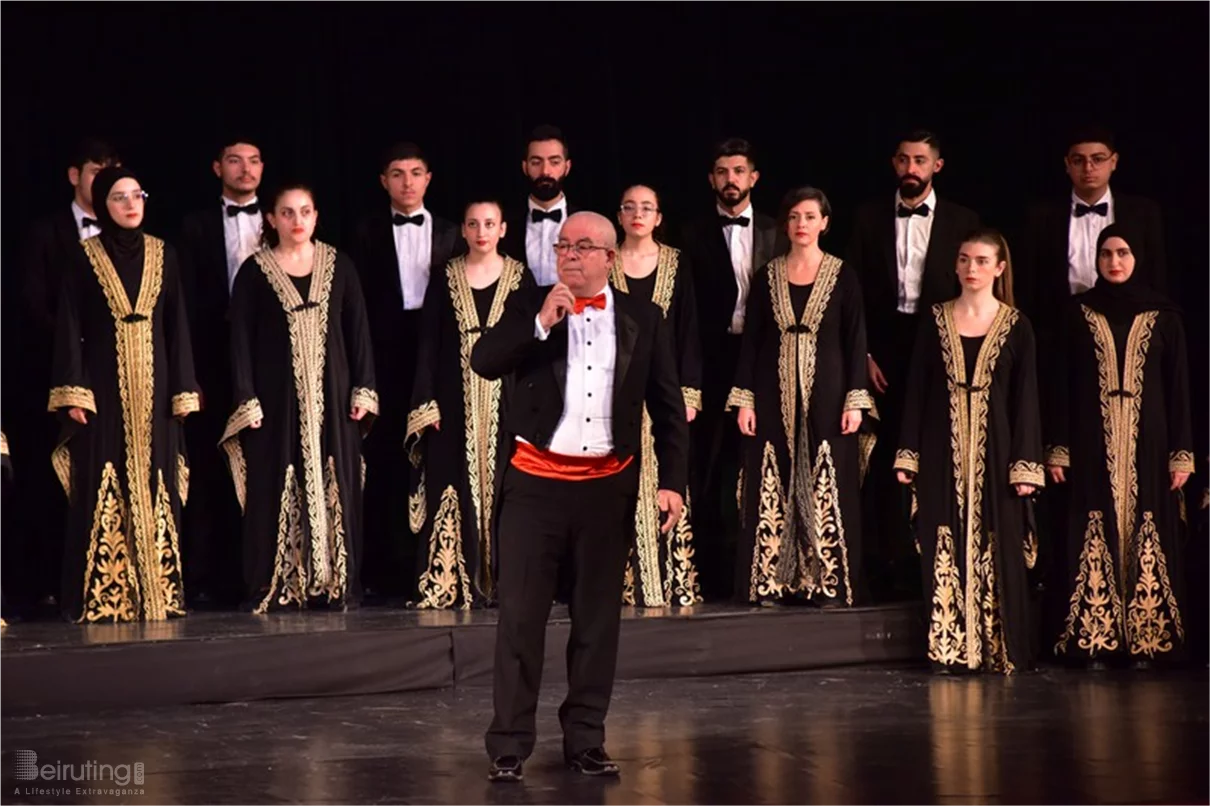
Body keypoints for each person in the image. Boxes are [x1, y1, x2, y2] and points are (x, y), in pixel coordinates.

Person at [474, 212, 688, 782]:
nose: (569, 254)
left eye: (583, 246)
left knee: (597, 623)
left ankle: (586, 740)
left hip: (605, 490)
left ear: (610, 258)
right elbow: (484, 361)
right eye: (562, 244)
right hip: (535, 488)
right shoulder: (528, 305)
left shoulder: (645, 317)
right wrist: (542, 322)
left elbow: (668, 410)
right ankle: (510, 743)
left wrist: (672, 483)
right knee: (521, 619)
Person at [49, 166, 200, 623]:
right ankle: (107, 596)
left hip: (154, 388)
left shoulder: (164, 254)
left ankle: (159, 592)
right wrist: (74, 391)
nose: (131, 205)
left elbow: (177, 326)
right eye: (119, 198)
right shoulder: (83, 256)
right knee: (103, 475)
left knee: (157, 477)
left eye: (137, 195)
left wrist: (183, 390)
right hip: (103, 387)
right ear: (101, 205)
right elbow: (69, 323)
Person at [894, 228, 1044, 674]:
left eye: (981, 261)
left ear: (999, 268)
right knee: (944, 537)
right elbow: (917, 390)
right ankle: (948, 646)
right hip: (942, 446)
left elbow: (1026, 400)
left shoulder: (1016, 326)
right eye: (965, 260)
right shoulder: (936, 319)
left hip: (997, 452)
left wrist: (1025, 465)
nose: (971, 268)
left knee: (997, 545)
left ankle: (997, 647)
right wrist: (908, 453)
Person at [222, 184, 377, 613]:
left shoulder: (339, 265)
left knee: (338, 480)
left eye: (305, 211)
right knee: (276, 479)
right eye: (287, 212)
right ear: (271, 219)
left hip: (334, 392)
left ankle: (334, 581)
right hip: (277, 399)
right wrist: (246, 398)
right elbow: (240, 342)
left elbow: (358, 330)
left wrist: (364, 388)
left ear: (316, 215)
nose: (297, 221)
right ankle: (284, 581)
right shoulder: (254, 273)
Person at [1046, 223, 1193, 667]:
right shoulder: (1077, 314)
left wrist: (1181, 452)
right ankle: (1094, 638)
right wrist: (1058, 447)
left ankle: (1150, 640)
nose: (1114, 262)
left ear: (1139, 257)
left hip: (1150, 438)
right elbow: (1062, 387)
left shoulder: (1165, 316)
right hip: (1092, 438)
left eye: (1123, 253)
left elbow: (1179, 388)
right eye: (1107, 253)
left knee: (1147, 521)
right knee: (1094, 520)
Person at [847, 130, 980, 600]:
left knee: (932, 452)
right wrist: (862, 354)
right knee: (881, 457)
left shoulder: (964, 220)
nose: (911, 168)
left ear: (937, 166)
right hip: (880, 352)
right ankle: (882, 559)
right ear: (893, 162)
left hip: (937, 349)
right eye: (903, 159)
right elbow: (854, 294)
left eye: (920, 160)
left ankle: (931, 558)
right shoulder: (866, 218)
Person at [728, 187, 875, 606]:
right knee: (772, 477)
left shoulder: (843, 276)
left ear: (825, 223)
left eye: (810, 217)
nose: (801, 225)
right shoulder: (767, 276)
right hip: (772, 392)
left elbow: (855, 339)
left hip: (828, 393)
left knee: (826, 478)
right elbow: (752, 343)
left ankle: (827, 582)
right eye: (794, 217)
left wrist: (855, 400)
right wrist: (745, 399)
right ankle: (772, 581)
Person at [405, 199, 532, 608]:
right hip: (453, 398)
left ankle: (508, 580)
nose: (481, 231)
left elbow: (532, 345)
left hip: (507, 402)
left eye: (489, 223)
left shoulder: (519, 277)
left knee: (508, 487)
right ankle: (454, 579)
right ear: (462, 230)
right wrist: (427, 402)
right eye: (474, 223)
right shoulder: (444, 278)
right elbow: (427, 345)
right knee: (452, 480)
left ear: (503, 229)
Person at [13, 137, 121, 613]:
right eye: (96, 171)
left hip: (118, 375)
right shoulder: (45, 233)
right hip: (56, 372)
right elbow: (32, 303)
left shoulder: (132, 235)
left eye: (112, 172)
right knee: (55, 477)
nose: (105, 181)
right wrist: (75, 348)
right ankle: (51, 583)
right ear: (75, 175)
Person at [351, 142, 460, 601]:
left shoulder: (454, 232)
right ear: (383, 181)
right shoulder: (365, 232)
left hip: (436, 358)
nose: (408, 182)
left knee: (436, 458)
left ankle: (435, 563)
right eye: (397, 173)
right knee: (386, 463)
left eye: (416, 172)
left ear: (429, 178)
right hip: (384, 356)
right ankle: (385, 566)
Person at [680, 137, 786, 599]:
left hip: (764, 360)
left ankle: (765, 570)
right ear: (711, 179)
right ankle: (709, 571)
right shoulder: (690, 234)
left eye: (738, 171)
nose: (730, 180)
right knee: (706, 465)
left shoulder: (777, 230)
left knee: (760, 461)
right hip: (710, 359)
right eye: (722, 172)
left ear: (754, 178)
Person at [177, 135, 266, 607]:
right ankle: (206, 575)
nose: (245, 170)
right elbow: (184, 304)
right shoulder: (193, 226)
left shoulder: (279, 219)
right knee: (210, 466)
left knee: (261, 462)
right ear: (217, 168)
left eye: (253, 161)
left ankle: (259, 570)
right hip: (211, 356)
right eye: (235, 161)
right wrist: (189, 374)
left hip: (265, 355)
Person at [610, 183, 703, 607]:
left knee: (665, 474)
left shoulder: (675, 263)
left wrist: (689, 392)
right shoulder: (607, 262)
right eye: (630, 207)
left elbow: (688, 331)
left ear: (659, 217)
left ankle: (669, 577)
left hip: (663, 389)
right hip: (614, 392)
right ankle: (621, 579)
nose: (637, 214)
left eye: (646, 207)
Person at [1020, 126, 1168, 332]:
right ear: (1067, 164)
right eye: (1078, 160)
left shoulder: (1143, 213)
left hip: (1128, 326)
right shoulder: (1041, 216)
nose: (1088, 168)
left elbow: (1156, 275)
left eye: (1098, 159)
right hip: (1061, 328)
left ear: (1113, 162)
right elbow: (1030, 283)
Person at [502, 125, 578, 286]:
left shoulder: (585, 221)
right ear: (525, 167)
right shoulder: (504, 224)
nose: (545, 171)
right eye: (536, 162)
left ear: (567, 167)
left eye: (554, 162)